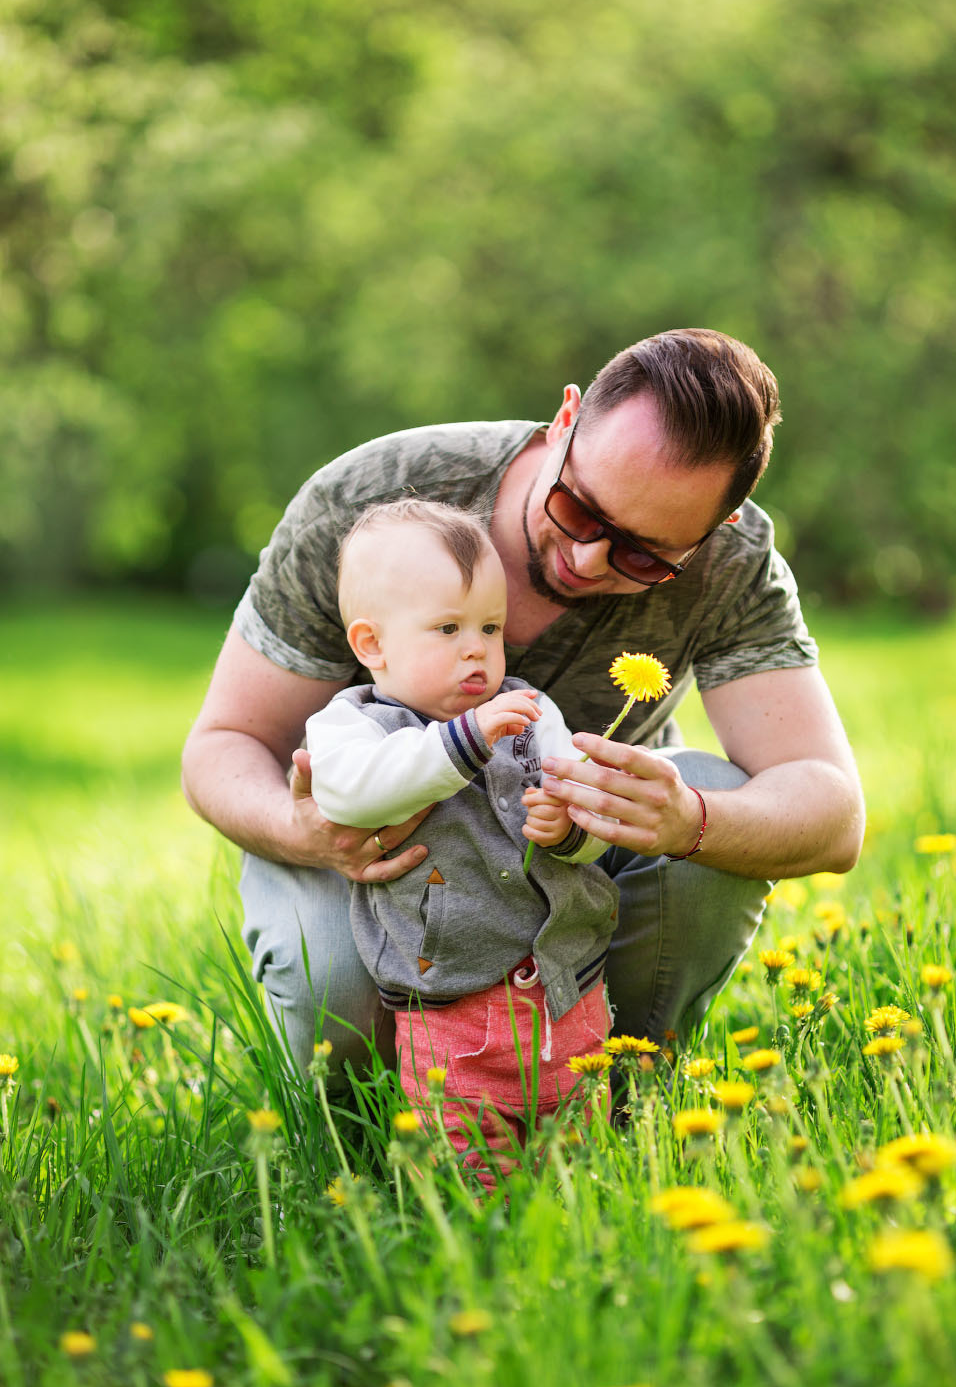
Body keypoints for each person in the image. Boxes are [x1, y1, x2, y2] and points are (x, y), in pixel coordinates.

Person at [182, 327, 865, 1092]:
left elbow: (834, 812)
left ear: (716, 532)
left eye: (645, 555)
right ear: (564, 419)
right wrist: (304, 832)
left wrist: (691, 820)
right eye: (578, 509)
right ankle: (363, 1146)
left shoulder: (734, 567)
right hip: (372, 852)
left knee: (715, 804)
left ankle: (615, 1092)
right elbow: (226, 740)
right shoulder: (370, 501)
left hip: (570, 864)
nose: (587, 561)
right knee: (333, 982)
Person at [305, 499, 618, 1176]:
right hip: (449, 1011)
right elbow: (355, 790)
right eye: (448, 627)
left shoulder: (532, 711)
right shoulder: (351, 727)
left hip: (566, 994)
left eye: (490, 626)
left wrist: (568, 831)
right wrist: (466, 741)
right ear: (372, 645)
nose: (477, 647)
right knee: (469, 1169)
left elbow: (592, 812)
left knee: (582, 1167)